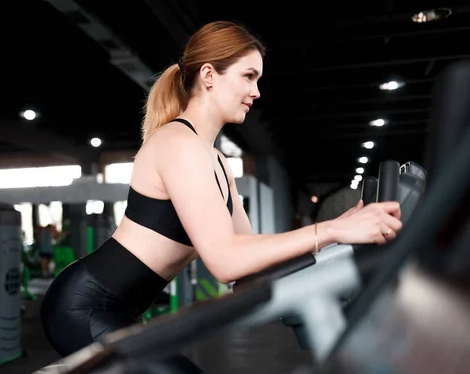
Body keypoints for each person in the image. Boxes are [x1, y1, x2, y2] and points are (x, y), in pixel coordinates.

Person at [40, 21, 402, 372]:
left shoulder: (216, 160)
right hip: (82, 306)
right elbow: (225, 263)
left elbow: (246, 265)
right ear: (210, 75)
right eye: (248, 76)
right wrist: (329, 232)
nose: (257, 92)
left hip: (118, 309)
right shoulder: (177, 144)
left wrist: (336, 239)